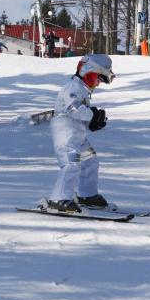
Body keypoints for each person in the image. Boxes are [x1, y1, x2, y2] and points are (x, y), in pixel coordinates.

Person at [48, 54, 116, 212]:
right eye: (98, 79)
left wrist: (93, 123)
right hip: (65, 131)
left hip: (77, 134)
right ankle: (58, 199)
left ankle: (87, 195)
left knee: (90, 161)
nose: (98, 83)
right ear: (89, 73)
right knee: (71, 163)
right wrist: (92, 114)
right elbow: (73, 109)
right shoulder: (73, 87)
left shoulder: (82, 90)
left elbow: (80, 113)